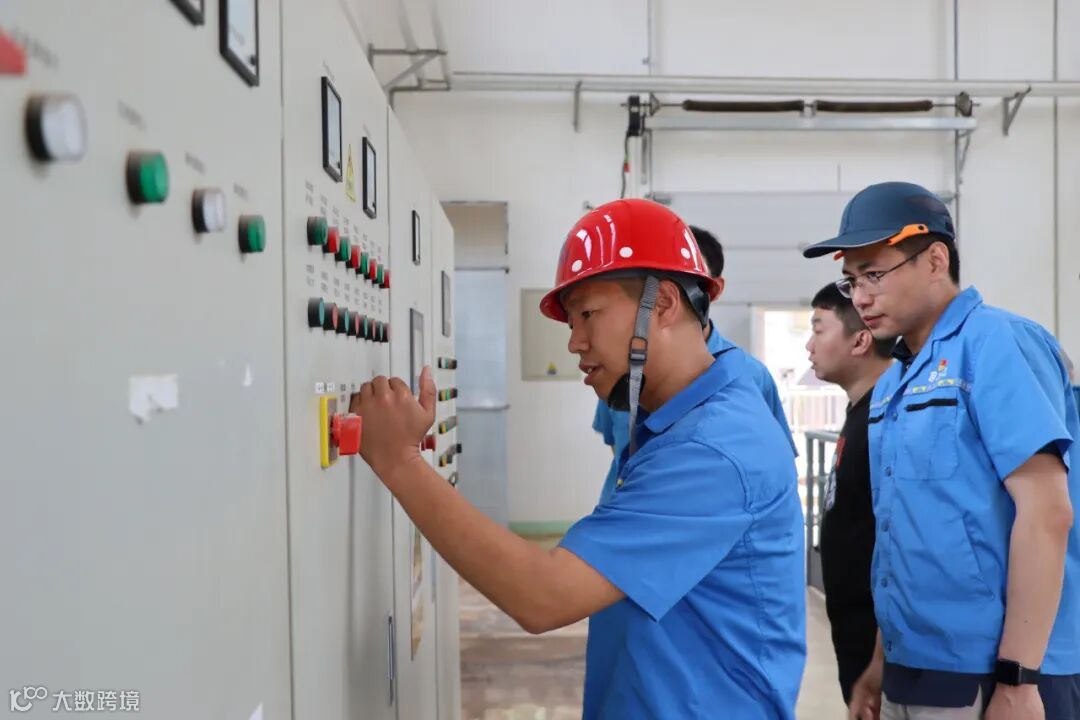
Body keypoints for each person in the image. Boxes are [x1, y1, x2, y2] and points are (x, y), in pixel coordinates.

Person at [351, 198, 807, 718]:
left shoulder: (713, 449)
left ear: (663, 304)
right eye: (571, 321)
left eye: (588, 314)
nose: (574, 342)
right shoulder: (674, 418)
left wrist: (400, 461)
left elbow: (543, 596)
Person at [802, 181, 1080, 720]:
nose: (860, 298)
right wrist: (879, 665)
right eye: (852, 280)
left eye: (874, 275)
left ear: (935, 260)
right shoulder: (893, 384)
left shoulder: (997, 344)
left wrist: (1018, 678)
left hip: (996, 671)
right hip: (914, 665)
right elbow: (899, 538)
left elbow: (1047, 513)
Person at [592, 225, 795, 505]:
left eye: (685, 278)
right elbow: (617, 447)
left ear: (714, 289)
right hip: (622, 512)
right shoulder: (623, 369)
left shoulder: (751, 376)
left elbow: (772, 467)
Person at [806, 282, 894, 705]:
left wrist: (878, 662)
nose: (809, 345)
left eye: (818, 329)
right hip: (857, 645)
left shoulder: (886, 420)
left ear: (860, 341)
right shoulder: (861, 411)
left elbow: (898, 549)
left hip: (882, 654)